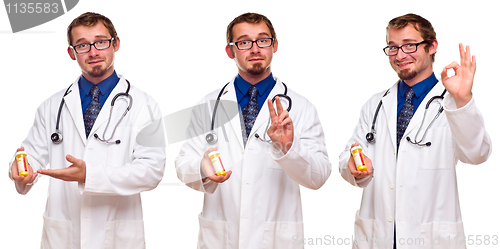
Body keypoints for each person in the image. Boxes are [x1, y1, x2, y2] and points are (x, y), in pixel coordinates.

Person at [8, 12, 166, 249]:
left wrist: (89, 175)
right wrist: (20, 170)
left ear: (116, 44)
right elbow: (29, 155)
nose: (93, 52)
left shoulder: (143, 104)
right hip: (63, 234)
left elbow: (152, 170)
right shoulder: (51, 106)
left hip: (118, 236)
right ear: (72, 53)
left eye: (101, 42)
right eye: (82, 45)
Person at [175, 12, 331, 248]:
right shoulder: (209, 105)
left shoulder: (301, 107)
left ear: (274, 45)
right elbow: (183, 163)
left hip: (276, 239)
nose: (255, 48)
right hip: (221, 238)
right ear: (231, 51)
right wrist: (202, 169)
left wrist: (289, 147)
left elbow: (319, 177)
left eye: (263, 40)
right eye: (244, 42)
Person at [339, 13, 492, 249]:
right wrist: (354, 169)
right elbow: (349, 156)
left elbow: (477, 154)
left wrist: (463, 101)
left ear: (432, 46)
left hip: (431, 241)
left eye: (409, 45)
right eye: (393, 47)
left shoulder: (452, 102)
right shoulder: (376, 104)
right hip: (377, 238)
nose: (400, 55)